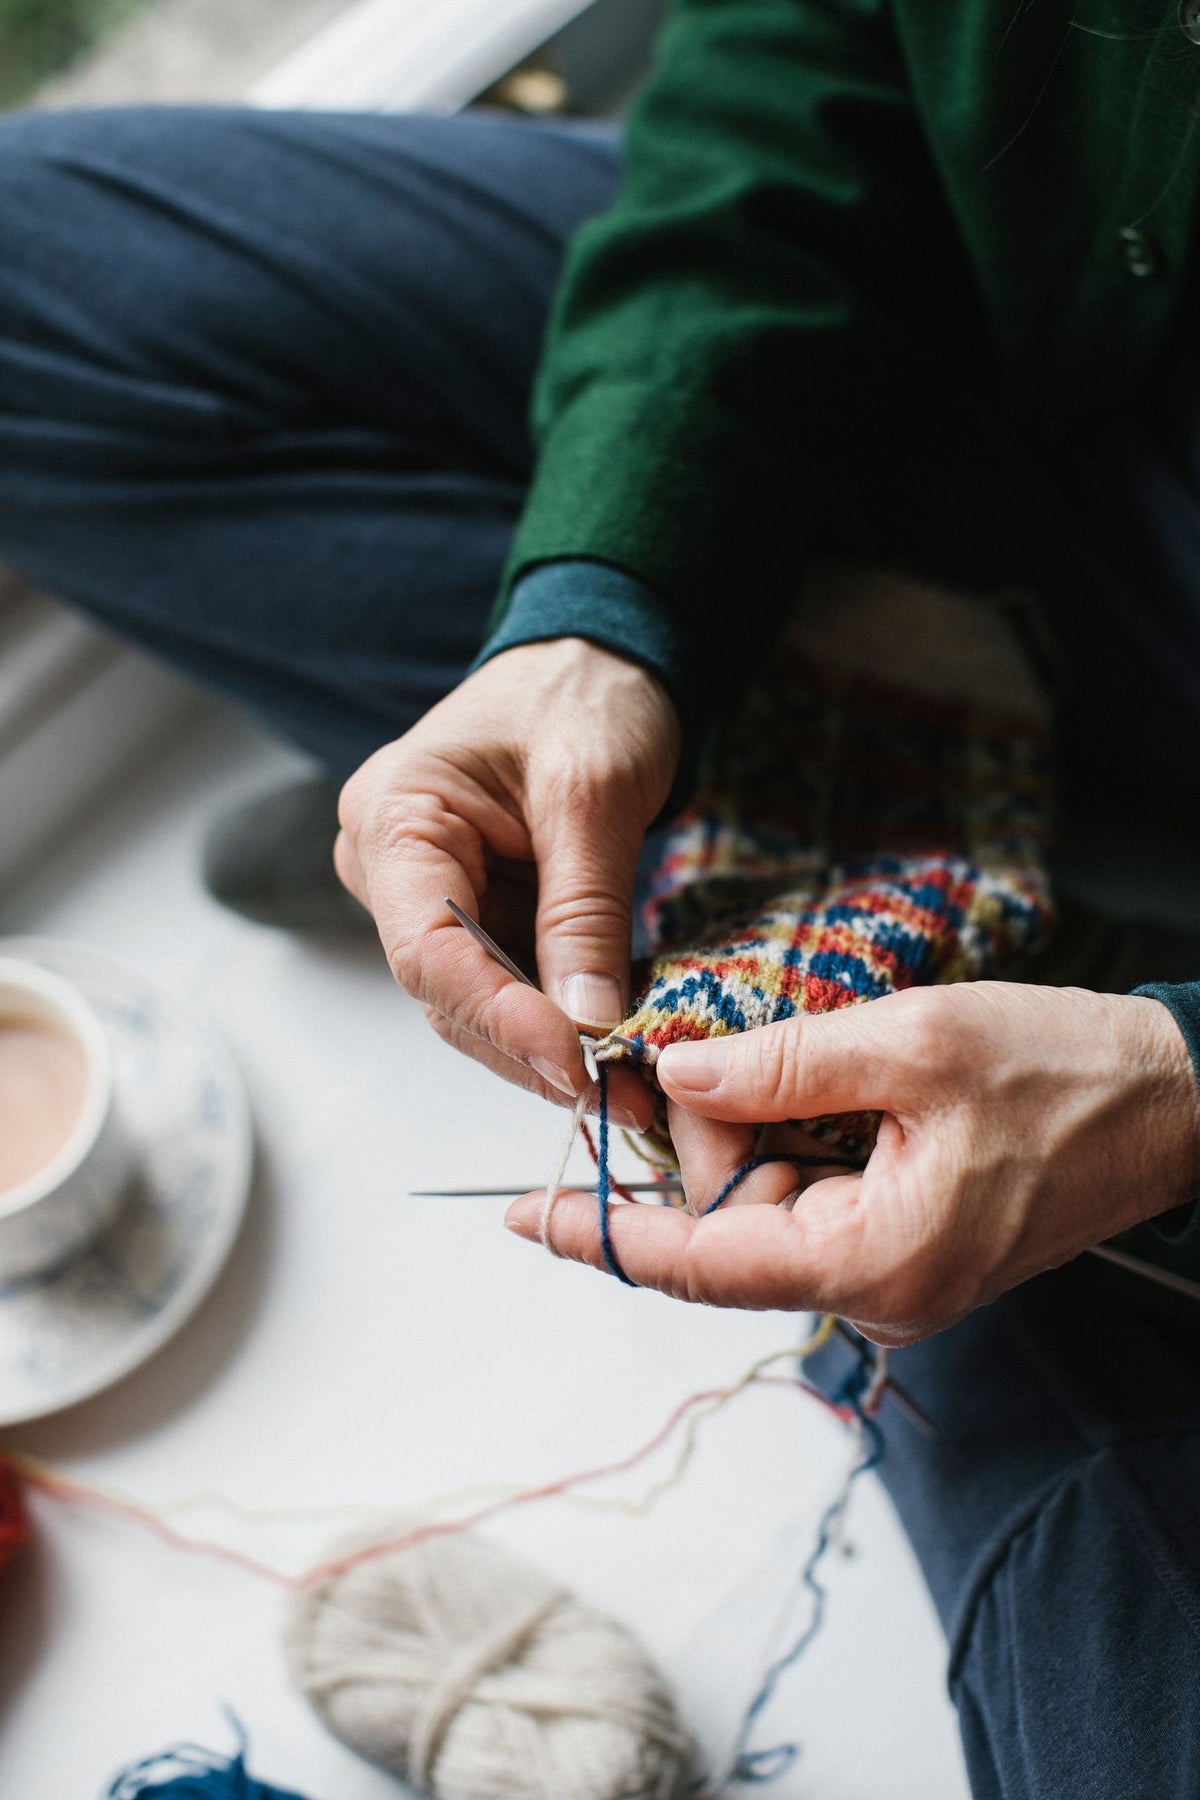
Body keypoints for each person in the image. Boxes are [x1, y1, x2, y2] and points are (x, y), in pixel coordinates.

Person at [4, 3, 1200, 1789]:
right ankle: (800, 836)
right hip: (1102, 387)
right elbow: (802, 43)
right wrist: (602, 608)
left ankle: (909, 940)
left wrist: (1177, 1101)